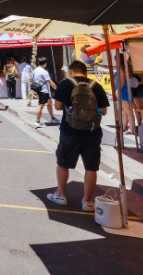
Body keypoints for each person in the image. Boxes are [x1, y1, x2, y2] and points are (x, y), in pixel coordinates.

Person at [46, 60, 110, 211]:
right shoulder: (96, 86)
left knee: (63, 162)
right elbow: (104, 111)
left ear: (71, 72)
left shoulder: (65, 84)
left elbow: (58, 106)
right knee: (91, 166)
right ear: (86, 73)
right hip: (92, 132)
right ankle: (87, 201)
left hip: (70, 131)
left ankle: (61, 195)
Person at [33, 57, 59, 128]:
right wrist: (57, 88)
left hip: (41, 90)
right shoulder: (44, 72)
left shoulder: (35, 70)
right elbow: (50, 82)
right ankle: (37, 122)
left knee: (49, 103)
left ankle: (52, 118)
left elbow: (35, 81)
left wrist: (35, 91)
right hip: (44, 91)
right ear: (45, 63)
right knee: (40, 106)